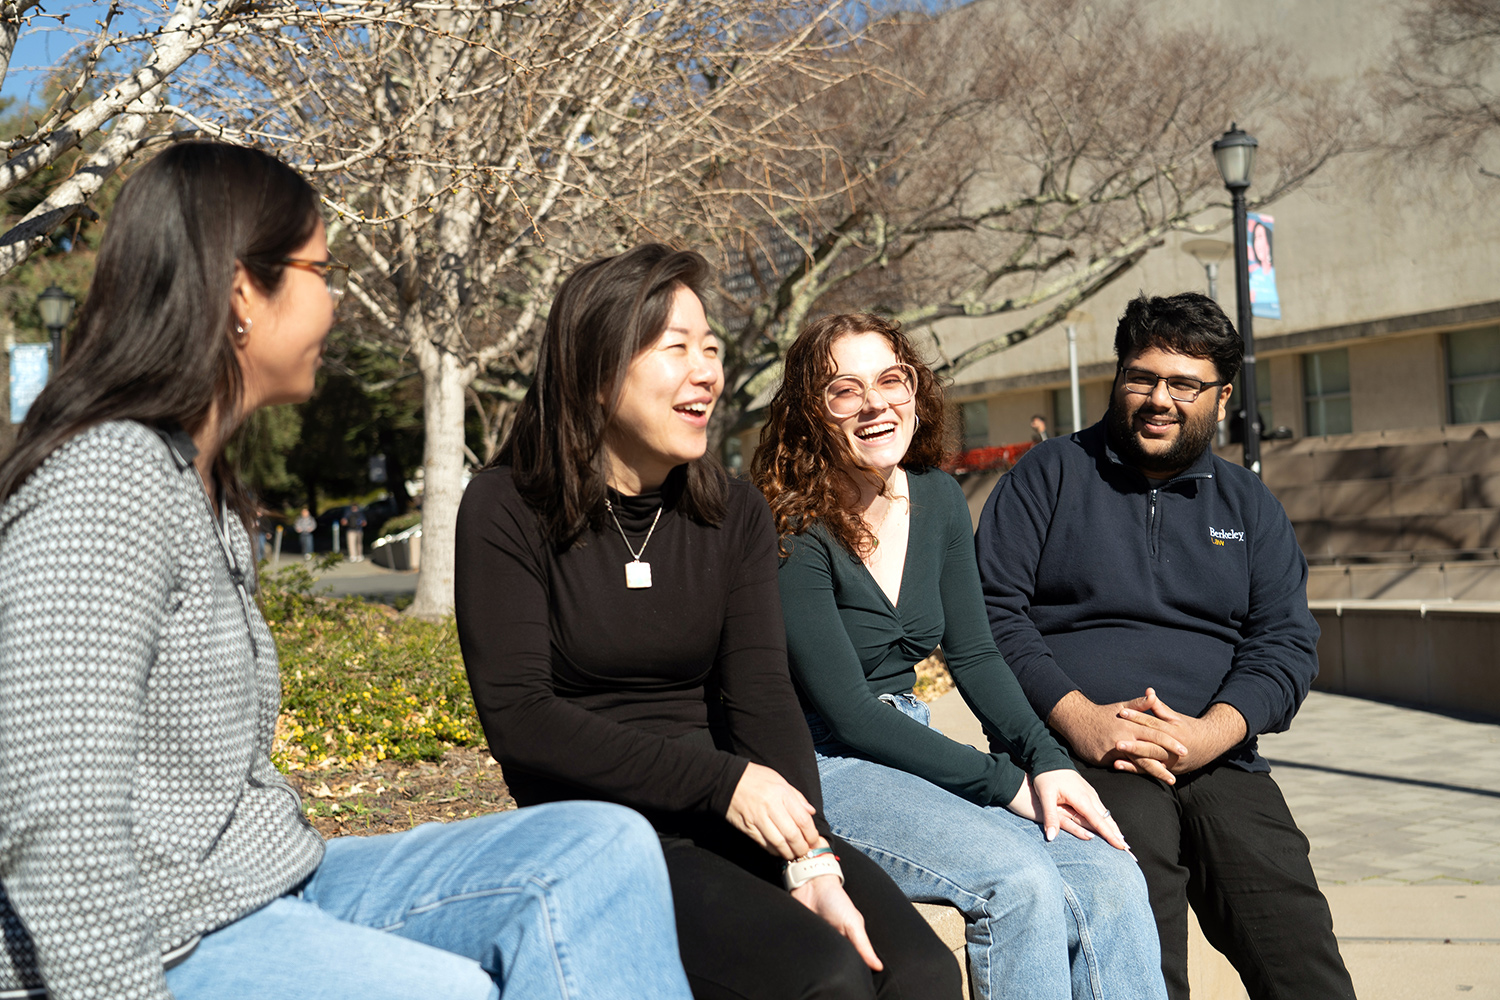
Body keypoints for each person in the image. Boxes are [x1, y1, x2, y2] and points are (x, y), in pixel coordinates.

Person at [0, 142, 692, 1000]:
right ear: (241, 292)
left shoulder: (200, 482)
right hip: (159, 934)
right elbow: (50, 822)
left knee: (603, 849)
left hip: (271, 880)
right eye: (321, 271)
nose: (336, 300)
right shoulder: (107, 482)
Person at [455, 246, 960, 1000]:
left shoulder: (730, 510)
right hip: (603, 830)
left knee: (920, 973)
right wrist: (724, 782)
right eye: (676, 349)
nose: (707, 373)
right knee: (825, 981)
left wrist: (811, 859)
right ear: (596, 374)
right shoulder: (505, 507)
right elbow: (521, 719)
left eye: (712, 350)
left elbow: (760, 697)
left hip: (734, 808)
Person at [754, 313, 1166, 1000]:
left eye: (891, 379)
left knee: (1108, 870)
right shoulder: (793, 522)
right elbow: (851, 715)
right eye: (844, 391)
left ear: (915, 389)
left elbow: (974, 653)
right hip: (821, 765)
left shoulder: (938, 497)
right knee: (1019, 881)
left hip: (909, 744)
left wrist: (1048, 761)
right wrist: (1003, 781)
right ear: (810, 412)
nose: (876, 403)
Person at [976, 292, 1356, 1000]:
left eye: (1185, 385)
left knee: (1295, 940)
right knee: (1140, 946)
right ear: (1117, 377)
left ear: (1222, 396)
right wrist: (1080, 720)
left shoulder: (1248, 506)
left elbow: (1286, 644)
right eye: (1142, 377)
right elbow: (992, 619)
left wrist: (1212, 733)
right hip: (1081, 751)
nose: (1160, 399)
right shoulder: (1048, 476)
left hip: (1214, 756)